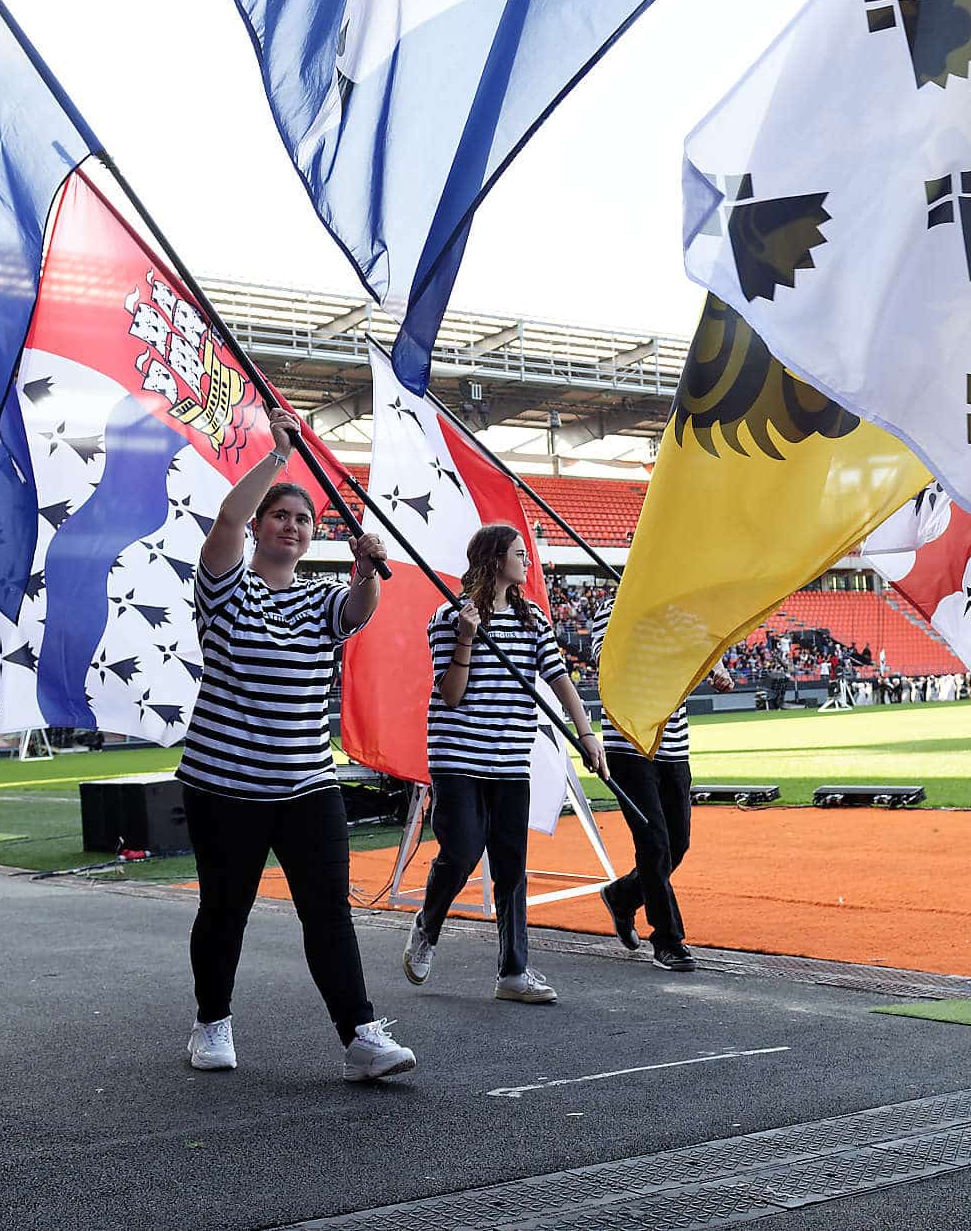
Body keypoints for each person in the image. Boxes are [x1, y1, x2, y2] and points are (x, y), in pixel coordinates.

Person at [173, 408, 414, 1084]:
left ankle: (360, 1033)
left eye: (304, 520)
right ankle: (211, 1020)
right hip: (223, 784)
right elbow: (223, 525)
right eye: (280, 515)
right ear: (259, 525)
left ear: (313, 537)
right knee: (225, 907)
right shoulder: (225, 591)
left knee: (327, 910)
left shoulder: (320, 601)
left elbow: (360, 608)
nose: (292, 525)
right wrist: (279, 457)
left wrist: (368, 567)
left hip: (307, 782)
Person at [403, 524, 609, 1004]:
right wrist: (467, 639)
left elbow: (559, 681)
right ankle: (427, 927)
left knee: (512, 865)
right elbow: (450, 696)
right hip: (458, 756)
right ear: (496, 560)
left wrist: (586, 734)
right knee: (462, 851)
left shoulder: (533, 617)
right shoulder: (450, 617)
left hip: (511, 759)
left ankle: (513, 972)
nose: (527, 562)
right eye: (520, 554)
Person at [591, 596, 730, 972]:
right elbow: (607, 663)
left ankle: (622, 897)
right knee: (653, 844)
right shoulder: (613, 609)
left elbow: (704, 651)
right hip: (629, 744)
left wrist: (715, 669)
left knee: (677, 844)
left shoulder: (684, 614)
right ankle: (667, 940)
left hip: (674, 747)